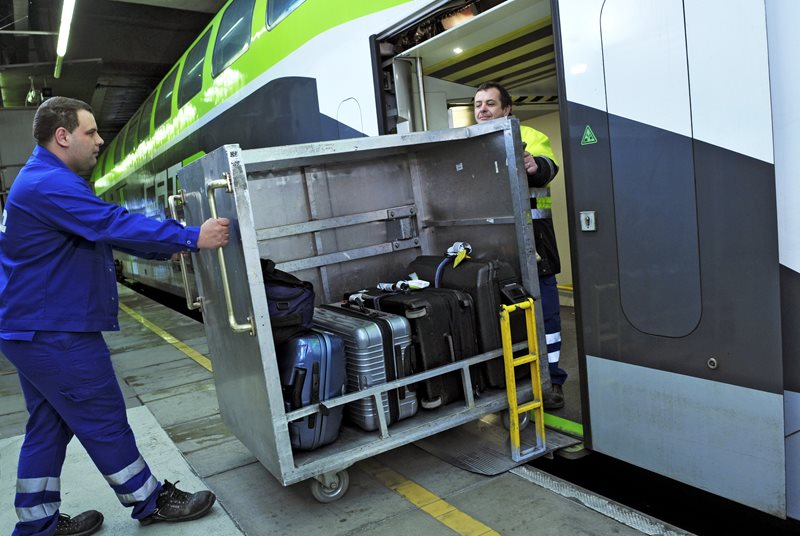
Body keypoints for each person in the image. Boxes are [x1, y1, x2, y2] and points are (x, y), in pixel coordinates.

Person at [0, 97, 231, 536]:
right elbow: (110, 224)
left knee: (49, 426)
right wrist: (192, 236)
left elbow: (101, 234)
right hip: (56, 331)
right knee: (102, 416)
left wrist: (171, 244)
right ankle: (150, 500)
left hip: (30, 327)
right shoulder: (49, 184)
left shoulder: (39, 181)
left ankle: (37, 525)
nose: (99, 140)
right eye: (90, 132)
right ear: (63, 136)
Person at [473, 82, 567, 409]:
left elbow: (546, 167)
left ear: (507, 109)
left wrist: (534, 166)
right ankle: (512, 385)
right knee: (506, 324)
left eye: (490, 104)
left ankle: (553, 382)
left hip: (535, 251)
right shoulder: (471, 146)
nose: (482, 110)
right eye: (478, 105)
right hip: (495, 257)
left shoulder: (529, 134)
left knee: (548, 322)